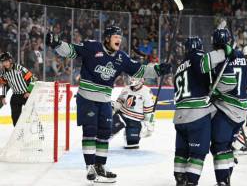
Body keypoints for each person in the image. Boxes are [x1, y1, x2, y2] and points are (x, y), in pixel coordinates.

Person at [45, 25, 171, 183]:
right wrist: (56, 43)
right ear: (107, 38)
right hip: (87, 98)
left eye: (120, 37)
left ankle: (100, 166)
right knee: (90, 131)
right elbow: (71, 50)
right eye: (116, 37)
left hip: (105, 99)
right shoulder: (92, 47)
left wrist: (158, 69)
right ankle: (90, 167)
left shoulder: (121, 57)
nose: (119, 39)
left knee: (104, 133)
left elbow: (138, 70)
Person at [173, 35, 236, 186]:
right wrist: (224, 52)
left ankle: (180, 180)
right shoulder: (198, 57)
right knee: (197, 153)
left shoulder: (179, 66)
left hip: (179, 116)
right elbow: (205, 64)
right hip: (197, 115)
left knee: (181, 151)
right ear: (200, 47)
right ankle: (191, 182)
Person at [210, 30, 247, 185]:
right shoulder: (240, 56)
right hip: (242, 111)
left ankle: (222, 181)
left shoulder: (218, 57)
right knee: (228, 147)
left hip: (226, 110)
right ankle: (226, 179)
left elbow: (213, 84)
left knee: (219, 146)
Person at [111, 77, 154, 149]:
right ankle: (105, 135)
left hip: (135, 120)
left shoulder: (146, 91)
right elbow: (119, 102)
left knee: (132, 144)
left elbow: (148, 111)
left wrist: (149, 125)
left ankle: (128, 134)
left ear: (142, 80)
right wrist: (113, 110)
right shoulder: (126, 88)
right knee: (109, 130)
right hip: (122, 116)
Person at [0, 52, 35, 126]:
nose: (5, 64)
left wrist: (29, 91)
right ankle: (19, 135)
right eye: (3, 62)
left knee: (33, 115)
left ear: (10, 60)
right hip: (15, 95)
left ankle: (37, 130)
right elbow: (4, 85)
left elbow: (32, 79)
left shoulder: (19, 68)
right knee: (15, 118)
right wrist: (3, 96)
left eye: (6, 61)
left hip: (26, 95)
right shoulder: (4, 73)